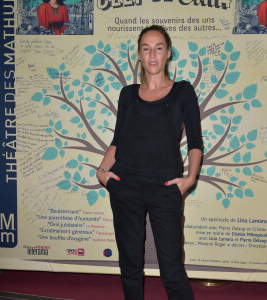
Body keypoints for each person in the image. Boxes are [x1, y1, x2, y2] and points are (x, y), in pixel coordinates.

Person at [96, 25, 203, 300]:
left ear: (168, 53)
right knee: (130, 266)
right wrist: (102, 172)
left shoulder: (182, 92)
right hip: (125, 185)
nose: (152, 54)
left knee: (171, 268)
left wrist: (189, 179)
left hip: (165, 186)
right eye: (146, 48)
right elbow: (118, 141)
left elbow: (195, 143)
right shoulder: (127, 94)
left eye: (158, 47)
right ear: (139, 55)